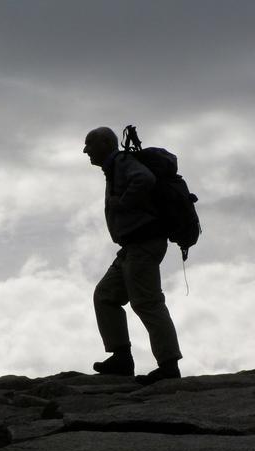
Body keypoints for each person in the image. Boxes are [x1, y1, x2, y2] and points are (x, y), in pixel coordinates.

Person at [83, 126, 183, 385]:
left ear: (106, 143)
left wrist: (124, 202)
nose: (86, 150)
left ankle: (169, 365)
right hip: (132, 246)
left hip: (144, 242)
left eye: (90, 144)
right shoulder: (115, 167)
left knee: (147, 302)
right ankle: (121, 358)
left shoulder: (123, 162)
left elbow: (145, 180)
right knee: (105, 295)